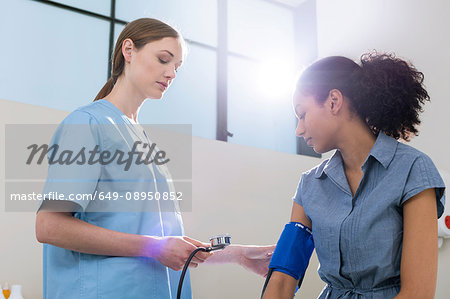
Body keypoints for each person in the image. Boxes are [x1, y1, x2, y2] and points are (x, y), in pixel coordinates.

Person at [35, 18, 274, 299]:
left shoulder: (140, 140)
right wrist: (155, 247)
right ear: (129, 50)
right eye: (164, 59)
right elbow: (49, 226)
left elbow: (164, 244)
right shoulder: (87, 124)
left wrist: (237, 254)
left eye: (177, 67)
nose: (171, 73)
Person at [262, 52, 446, 298]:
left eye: (302, 114)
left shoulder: (413, 170)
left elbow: (417, 293)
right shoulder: (309, 185)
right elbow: (283, 279)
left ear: (334, 101)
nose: (299, 129)